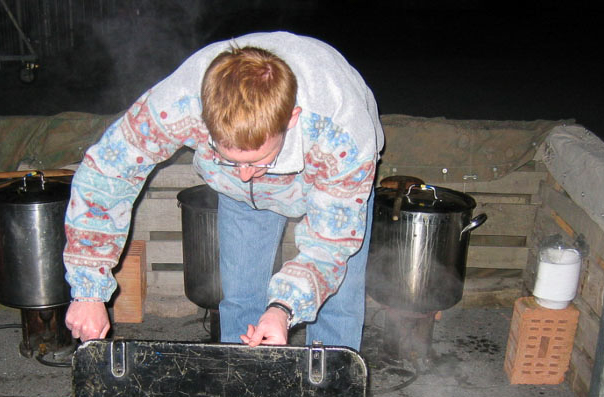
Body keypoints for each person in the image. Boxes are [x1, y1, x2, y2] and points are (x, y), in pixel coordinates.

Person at [64, 31, 383, 350]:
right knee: (242, 298)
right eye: (231, 159)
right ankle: (239, 383)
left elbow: (329, 246)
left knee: (338, 303)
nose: (244, 175)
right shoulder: (180, 104)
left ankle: (330, 383)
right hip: (239, 198)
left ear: (290, 119)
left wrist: (283, 309)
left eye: (257, 161)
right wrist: (88, 290)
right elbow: (108, 174)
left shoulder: (343, 137)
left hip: (326, 179)